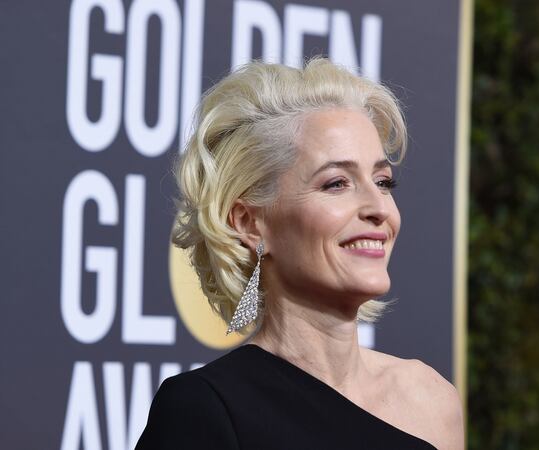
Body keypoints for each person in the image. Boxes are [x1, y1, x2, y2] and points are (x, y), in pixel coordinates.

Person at [134, 58, 464, 450]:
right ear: (249, 223)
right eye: (337, 183)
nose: (379, 208)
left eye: (383, 181)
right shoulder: (203, 409)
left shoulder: (430, 401)